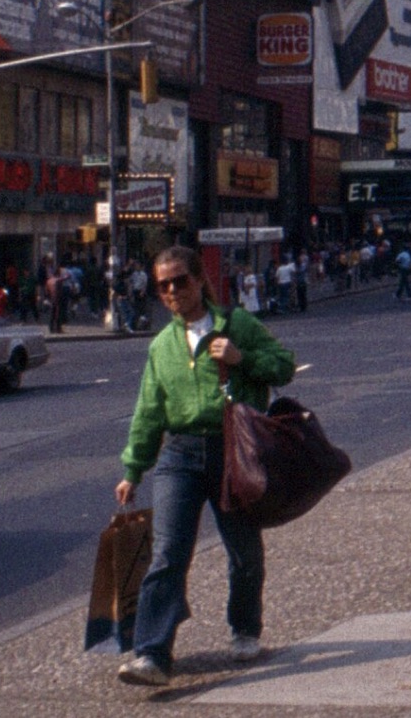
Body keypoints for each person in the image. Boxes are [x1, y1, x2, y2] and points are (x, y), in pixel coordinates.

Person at [113, 246, 296, 687]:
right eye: (164, 285)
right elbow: (149, 410)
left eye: (180, 281)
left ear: (199, 281)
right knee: (168, 553)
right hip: (178, 456)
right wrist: (133, 468)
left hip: (231, 449)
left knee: (242, 548)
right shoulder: (162, 345)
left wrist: (241, 359)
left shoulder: (237, 325)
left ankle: (245, 628)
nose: (173, 291)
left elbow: (284, 366)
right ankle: (153, 654)